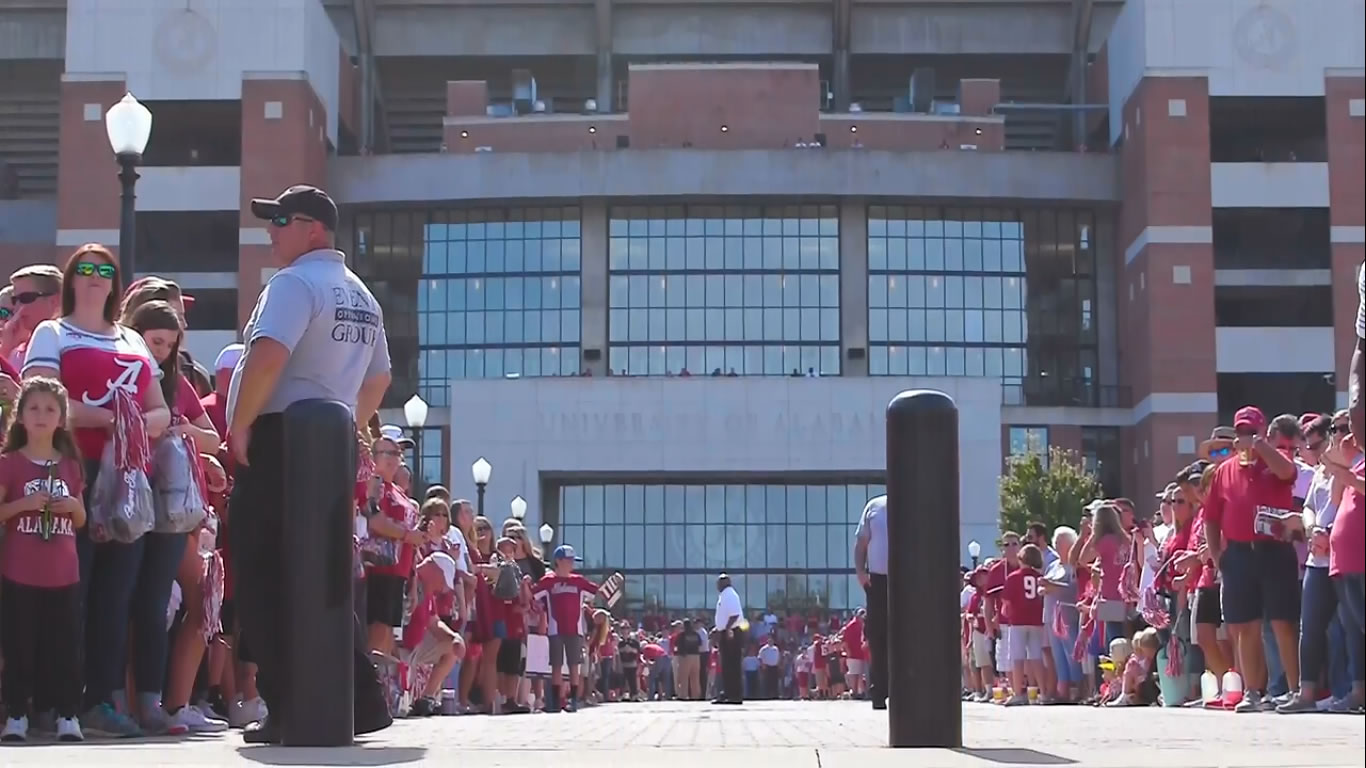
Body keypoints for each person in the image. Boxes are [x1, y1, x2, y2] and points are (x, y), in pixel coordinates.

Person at [226, 184, 393, 743]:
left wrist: (241, 422)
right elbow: (379, 378)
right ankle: (358, 698)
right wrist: (350, 423)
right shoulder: (362, 295)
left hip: (280, 437)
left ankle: (289, 703)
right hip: (329, 443)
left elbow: (268, 355)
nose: (271, 229)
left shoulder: (293, 284)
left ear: (313, 229)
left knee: (265, 574)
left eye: (280, 219)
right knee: (322, 574)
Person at [22, 245, 171, 738]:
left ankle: (101, 699)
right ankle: (51, 700)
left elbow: (161, 409)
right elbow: (41, 401)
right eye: (83, 269)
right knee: (70, 587)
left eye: (103, 270)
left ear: (114, 282)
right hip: (69, 471)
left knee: (117, 592)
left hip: (129, 478)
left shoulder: (132, 338)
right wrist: (116, 420)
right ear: (70, 279)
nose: (93, 277)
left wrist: (135, 426)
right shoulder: (53, 332)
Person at [0, 378, 87, 742]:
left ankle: (67, 714)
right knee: (19, 644)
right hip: (20, 570)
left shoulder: (70, 465)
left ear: (61, 420)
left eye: (50, 410)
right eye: (33, 408)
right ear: (19, 417)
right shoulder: (9, 464)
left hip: (63, 573)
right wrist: (23, 505)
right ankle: (17, 714)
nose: (41, 416)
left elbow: (82, 518)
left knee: (65, 646)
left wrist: (72, 508)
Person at [530, 544, 600, 713]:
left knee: (574, 665)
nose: (571, 564)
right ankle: (555, 701)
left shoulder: (578, 581)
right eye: (568, 561)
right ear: (558, 561)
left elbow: (597, 593)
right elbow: (534, 596)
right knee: (556, 665)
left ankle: (573, 701)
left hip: (575, 630)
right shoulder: (548, 581)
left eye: (572, 561)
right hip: (555, 629)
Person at [852, 493, 888, 709]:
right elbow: (861, 543)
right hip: (877, 581)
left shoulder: (915, 505)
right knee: (877, 635)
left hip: (907, 582)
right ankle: (879, 690)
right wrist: (860, 571)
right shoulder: (874, 506)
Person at [712, 572, 745, 705]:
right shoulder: (724, 595)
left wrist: (727, 630)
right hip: (726, 631)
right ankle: (727, 693)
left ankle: (735, 695)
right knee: (726, 665)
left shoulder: (730, 594)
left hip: (732, 633)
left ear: (725, 583)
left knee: (732, 665)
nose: (717, 585)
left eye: (719, 582)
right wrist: (717, 628)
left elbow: (735, 615)